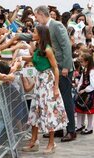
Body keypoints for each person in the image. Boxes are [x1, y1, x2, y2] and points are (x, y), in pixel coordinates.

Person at [22, 25, 67, 154]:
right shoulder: (38, 48)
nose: (32, 33)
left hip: (47, 81)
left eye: (34, 32)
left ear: (41, 34)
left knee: (49, 112)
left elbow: (56, 68)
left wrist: (56, 87)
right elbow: (33, 59)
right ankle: (33, 141)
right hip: (40, 81)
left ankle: (51, 143)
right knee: (35, 110)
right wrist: (19, 58)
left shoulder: (48, 49)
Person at [34, 5, 76, 142]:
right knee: (57, 101)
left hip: (64, 69)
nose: (36, 19)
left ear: (41, 14)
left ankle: (71, 130)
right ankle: (58, 129)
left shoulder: (56, 25)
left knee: (66, 99)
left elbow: (66, 46)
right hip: (55, 69)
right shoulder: (46, 27)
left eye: (37, 16)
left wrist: (66, 66)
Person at [75, 53, 94, 134]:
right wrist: (78, 88)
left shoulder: (92, 71)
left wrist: (85, 90)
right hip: (82, 92)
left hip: (89, 93)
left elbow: (93, 84)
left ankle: (90, 127)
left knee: (89, 111)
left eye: (82, 62)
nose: (81, 63)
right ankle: (79, 125)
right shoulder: (84, 69)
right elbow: (81, 80)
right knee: (79, 109)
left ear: (87, 62)